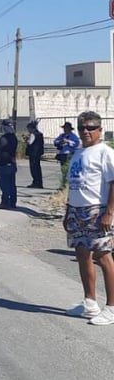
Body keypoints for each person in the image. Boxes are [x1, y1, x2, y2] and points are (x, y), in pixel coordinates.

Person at [63, 111, 114, 325]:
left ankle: (111, 308)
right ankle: (90, 302)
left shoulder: (105, 152)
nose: (86, 131)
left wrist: (109, 212)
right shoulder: (78, 153)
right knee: (82, 254)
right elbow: (73, 184)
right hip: (77, 210)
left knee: (103, 257)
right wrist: (67, 211)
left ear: (99, 130)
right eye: (82, 127)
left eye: (91, 127)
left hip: (97, 211)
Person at [0, 120, 18, 210]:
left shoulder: (4, 139)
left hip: (3, 163)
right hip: (12, 163)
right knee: (12, 184)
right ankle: (13, 202)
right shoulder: (14, 138)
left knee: (4, 184)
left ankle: (5, 202)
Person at [54, 121, 80, 187]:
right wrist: (60, 142)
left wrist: (68, 141)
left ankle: (68, 185)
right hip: (62, 154)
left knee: (68, 169)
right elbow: (55, 141)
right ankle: (64, 184)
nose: (65, 129)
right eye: (64, 128)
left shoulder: (73, 136)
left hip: (69, 154)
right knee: (63, 170)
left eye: (66, 128)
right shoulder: (62, 135)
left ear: (70, 129)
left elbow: (76, 143)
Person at [24, 120, 44, 189]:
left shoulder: (33, 134)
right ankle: (39, 182)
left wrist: (26, 140)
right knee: (38, 168)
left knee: (34, 169)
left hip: (33, 154)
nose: (28, 130)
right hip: (38, 154)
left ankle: (36, 182)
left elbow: (30, 143)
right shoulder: (40, 134)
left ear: (31, 128)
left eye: (28, 129)